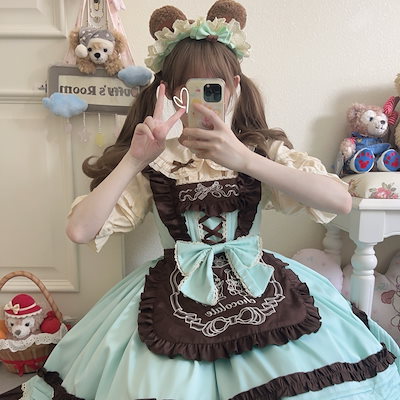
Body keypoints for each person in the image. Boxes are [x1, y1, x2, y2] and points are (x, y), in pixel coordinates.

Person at [20, 1, 400, 399]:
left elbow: (339, 201)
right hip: (170, 293)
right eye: (189, 90)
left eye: (213, 88)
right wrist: (134, 159)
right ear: (170, 92)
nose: (201, 101)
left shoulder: (260, 153)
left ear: (233, 86)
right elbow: (80, 230)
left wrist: (244, 159)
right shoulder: (156, 159)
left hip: (263, 285)